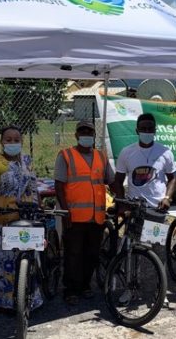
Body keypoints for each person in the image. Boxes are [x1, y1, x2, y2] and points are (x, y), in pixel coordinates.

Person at [0, 125, 43, 312]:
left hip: (26, 215)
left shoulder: (27, 160)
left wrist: (39, 205)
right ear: (1, 142)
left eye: (16, 139)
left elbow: (33, 186)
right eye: (8, 140)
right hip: (2, 219)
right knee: (4, 262)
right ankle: (5, 302)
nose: (12, 143)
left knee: (28, 258)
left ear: (21, 141)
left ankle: (31, 300)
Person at [54, 120, 114, 305]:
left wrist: (119, 199)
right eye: (82, 131)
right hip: (74, 216)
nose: (86, 134)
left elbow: (110, 180)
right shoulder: (66, 155)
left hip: (96, 217)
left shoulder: (101, 156)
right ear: (76, 135)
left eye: (90, 131)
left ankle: (86, 285)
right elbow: (59, 185)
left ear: (94, 135)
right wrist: (65, 212)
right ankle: (70, 289)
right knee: (73, 254)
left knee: (92, 254)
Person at [113, 113, 176, 211]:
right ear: (137, 131)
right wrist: (121, 202)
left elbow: (172, 179)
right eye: (143, 129)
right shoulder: (126, 152)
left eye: (150, 129)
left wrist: (167, 198)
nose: (147, 131)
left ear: (155, 131)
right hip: (134, 207)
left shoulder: (165, 152)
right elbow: (118, 180)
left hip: (158, 207)